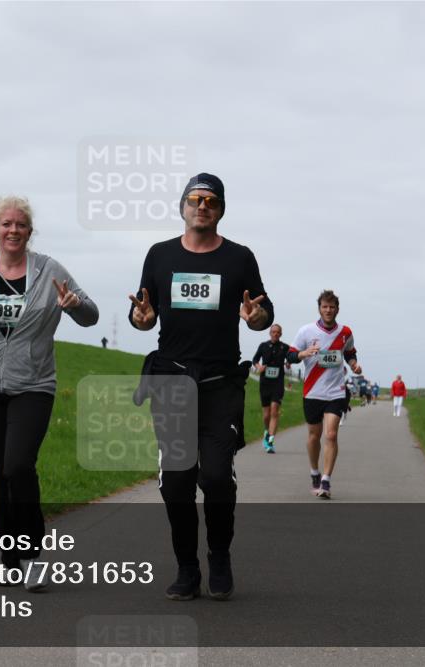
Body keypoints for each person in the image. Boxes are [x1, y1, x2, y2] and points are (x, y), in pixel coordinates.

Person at [0, 195, 99, 590]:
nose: (12, 230)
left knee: (18, 467)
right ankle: (9, 561)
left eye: (20, 224)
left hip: (35, 384)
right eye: (5, 224)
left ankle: (33, 555)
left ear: (29, 231)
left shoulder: (49, 270)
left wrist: (74, 304)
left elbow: (91, 316)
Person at [128, 173, 272, 601]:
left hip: (219, 384)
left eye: (211, 200)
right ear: (183, 207)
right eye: (195, 199)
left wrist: (255, 318)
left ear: (221, 208)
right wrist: (141, 318)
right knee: (175, 483)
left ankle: (220, 555)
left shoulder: (240, 258)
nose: (202, 206)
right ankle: (187, 568)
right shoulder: (159, 255)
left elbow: (262, 312)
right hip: (172, 382)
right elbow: (145, 315)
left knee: (215, 477)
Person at [287, 290, 362, 500]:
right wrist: (303, 353)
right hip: (312, 392)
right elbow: (291, 355)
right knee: (314, 436)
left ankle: (326, 481)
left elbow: (349, 353)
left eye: (332, 307)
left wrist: (354, 365)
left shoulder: (345, 332)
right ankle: (314, 472)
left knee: (331, 435)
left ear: (337, 309)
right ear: (319, 308)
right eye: (324, 307)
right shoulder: (306, 331)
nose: (328, 310)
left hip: (335, 392)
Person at [251, 324, 290, 452]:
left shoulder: (285, 347)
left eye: (278, 332)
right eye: (273, 332)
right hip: (265, 383)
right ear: (270, 333)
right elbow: (255, 359)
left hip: (278, 383)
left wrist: (289, 363)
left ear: (281, 334)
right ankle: (267, 432)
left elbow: (292, 357)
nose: (275, 334)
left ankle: (270, 441)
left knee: (274, 411)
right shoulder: (263, 346)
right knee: (266, 414)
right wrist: (258, 367)